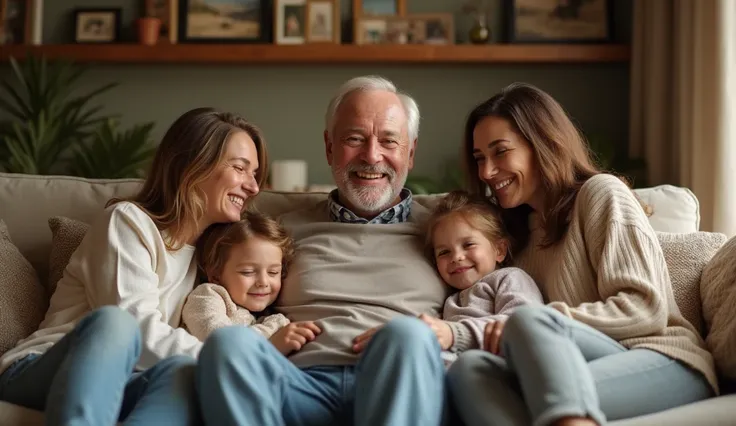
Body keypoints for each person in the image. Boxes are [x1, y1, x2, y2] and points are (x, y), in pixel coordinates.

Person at [447, 82, 717, 426]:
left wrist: (542, 320)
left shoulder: (600, 195)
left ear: (541, 144)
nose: (486, 172)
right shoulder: (514, 238)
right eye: (480, 159)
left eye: (500, 152)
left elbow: (645, 309)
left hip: (662, 360)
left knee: (530, 320)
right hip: (572, 367)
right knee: (470, 369)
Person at [196, 76, 452, 426]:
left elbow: (484, 310)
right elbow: (234, 297)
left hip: (398, 383)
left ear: (410, 152)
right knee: (228, 344)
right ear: (330, 147)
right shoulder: (278, 231)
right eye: (354, 139)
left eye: (389, 141)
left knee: (408, 334)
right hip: (298, 383)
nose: (372, 156)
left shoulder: (447, 233)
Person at [0, 107, 269, 425]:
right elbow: (138, 331)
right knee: (117, 325)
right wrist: (225, 361)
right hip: (43, 366)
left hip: (132, 376)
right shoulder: (127, 222)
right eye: (240, 168)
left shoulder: (215, 258)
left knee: (181, 375)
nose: (252, 187)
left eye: (254, 174)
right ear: (193, 166)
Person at [421, 190, 543, 365]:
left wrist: (454, 332)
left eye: (468, 244)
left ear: (499, 250)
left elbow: (523, 321)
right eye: (444, 252)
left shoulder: (509, 278)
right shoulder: (451, 300)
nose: (456, 257)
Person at [182, 211, 314, 356]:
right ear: (215, 275)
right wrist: (272, 334)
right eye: (248, 272)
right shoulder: (206, 296)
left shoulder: (260, 317)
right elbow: (222, 342)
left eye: (273, 272)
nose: (263, 282)